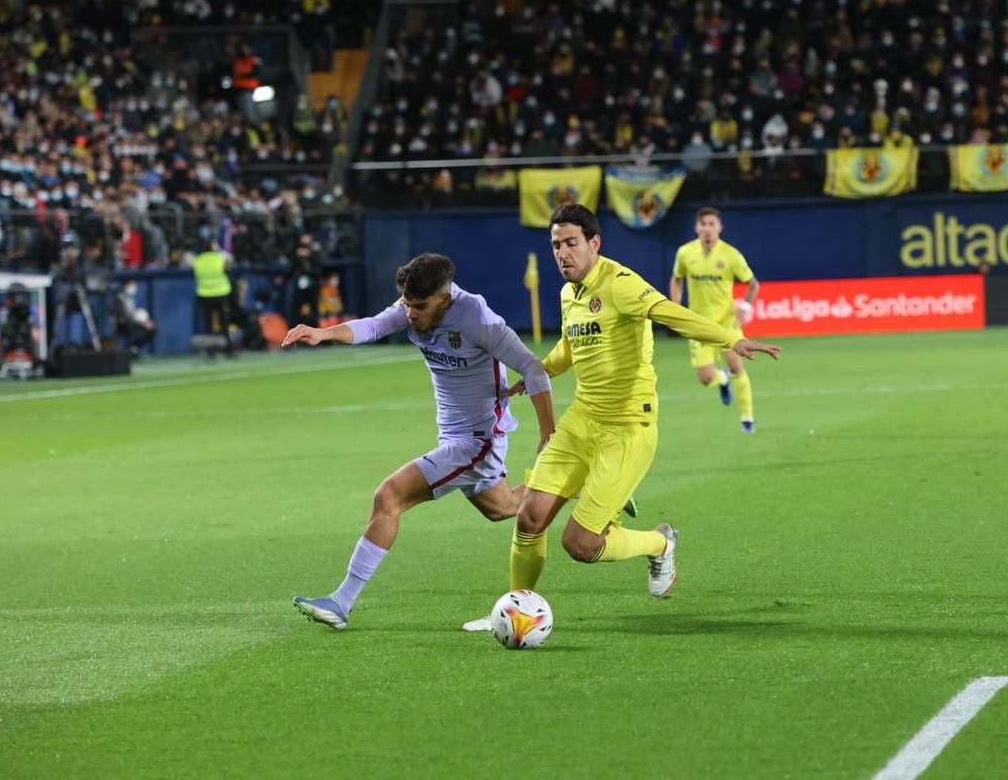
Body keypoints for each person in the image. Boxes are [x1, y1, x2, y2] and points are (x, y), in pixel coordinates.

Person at [462, 205, 780, 631]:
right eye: (556, 245)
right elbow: (569, 347)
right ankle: (514, 609)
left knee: (580, 543)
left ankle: (659, 543)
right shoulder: (568, 293)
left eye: (571, 243)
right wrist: (539, 372)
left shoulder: (621, 284)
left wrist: (731, 339)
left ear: (594, 243)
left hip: (628, 427)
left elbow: (670, 312)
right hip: (581, 420)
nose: (562, 253)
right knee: (529, 518)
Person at [286, 253, 629, 630]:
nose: (410, 314)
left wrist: (548, 431)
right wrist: (323, 333)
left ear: (445, 299)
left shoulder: (477, 319)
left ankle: (341, 602)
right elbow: (373, 325)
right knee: (502, 507)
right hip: (455, 435)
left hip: (476, 442)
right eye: (407, 304)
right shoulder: (414, 303)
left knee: (389, 496)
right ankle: (580, 481)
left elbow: (532, 368)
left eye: (419, 306)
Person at [669, 207, 761, 432]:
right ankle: (723, 380)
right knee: (706, 378)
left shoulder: (731, 254)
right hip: (698, 323)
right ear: (696, 227)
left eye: (712, 224)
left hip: (726, 321)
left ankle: (747, 418)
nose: (708, 229)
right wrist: (675, 305)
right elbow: (677, 278)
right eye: (704, 224)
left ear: (720, 227)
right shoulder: (685, 253)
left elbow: (753, 284)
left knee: (736, 365)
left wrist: (745, 307)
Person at [193, 241, 233, 357]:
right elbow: (228, 270)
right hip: (221, 294)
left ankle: (211, 351)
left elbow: (196, 275)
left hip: (204, 295)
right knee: (224, 322)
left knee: (209, 323)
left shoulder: (198, 260)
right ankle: (227, 349)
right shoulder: (220, 258)